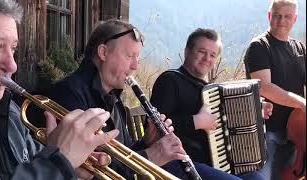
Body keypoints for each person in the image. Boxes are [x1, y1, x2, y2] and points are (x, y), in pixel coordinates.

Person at [48, 19, 242, 179]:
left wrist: (147, 143)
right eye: (130, 56)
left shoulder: (114, 100)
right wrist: (152, 155)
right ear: (103, 53)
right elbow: (95, 171)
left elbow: (126, 153)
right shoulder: (70, 95)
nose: (135, 66)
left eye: (137, 58)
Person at [0, 0, 119, 179]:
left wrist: (65, 165)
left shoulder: (10, 112)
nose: (12, 65)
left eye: (13, 49)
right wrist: (59, 164)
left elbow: (31, 166)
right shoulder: (70, 90)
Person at [150, 28, 273, 180]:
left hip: (213, 163)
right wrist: (197, 121)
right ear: (187, 51)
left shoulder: (211, 91)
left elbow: (228, 123)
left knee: (258, 178)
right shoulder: (170, 80)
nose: (207, 58)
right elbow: (154, 127)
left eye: (212, 55)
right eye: (202, 51)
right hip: (177, 161)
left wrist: (254, 111)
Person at [243, 0, 306, 179]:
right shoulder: (259, 46)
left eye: (287, 16)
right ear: (269, 16)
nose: (281, 20)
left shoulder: (299, 48)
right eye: (277, 16)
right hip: (267, 133)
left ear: (295, 19)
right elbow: (265, 87)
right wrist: (302, 103)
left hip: (296, 135)